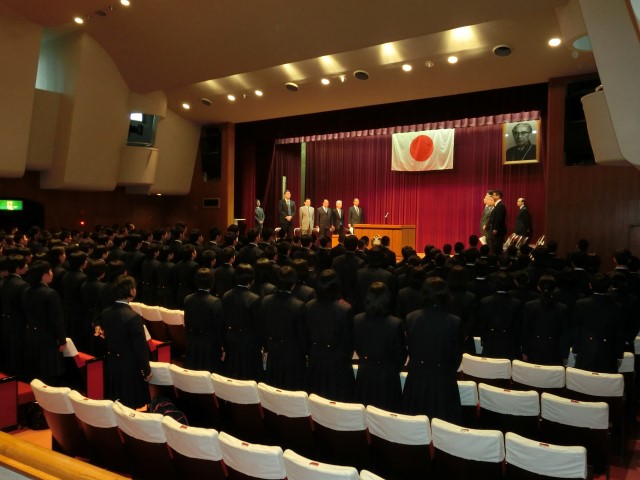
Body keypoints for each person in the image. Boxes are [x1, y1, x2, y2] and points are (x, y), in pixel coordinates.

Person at [402, 277, 463, 423]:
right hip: (443, 380)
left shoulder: (411, 317)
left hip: (417, 378)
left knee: (414, 424)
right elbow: (456, 356)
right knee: (444, 424)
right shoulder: (454, 321)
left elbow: (410, 348)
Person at [353, 282, 406, 412]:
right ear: (387, 300)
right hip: (387, 376)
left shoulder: (357, 319)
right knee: (387, 415)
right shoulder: (395, 323)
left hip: (365, 373)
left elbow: (357, 347)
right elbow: (401, 355)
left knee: (364, 413)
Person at [304, 269, 355, 402]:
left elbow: (306, 334)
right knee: (337, 400)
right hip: (337, 362)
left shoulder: (309, 306)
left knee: (316, 399)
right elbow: (349, 341)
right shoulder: (344, 309)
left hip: (316, 359)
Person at [101, 275, 152, 409]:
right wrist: (146, 370)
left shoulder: (106, 312)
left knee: (116, 404)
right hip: (129, 366)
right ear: (131, 290)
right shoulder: (133, 317)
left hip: (112, 363)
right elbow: (140, 348)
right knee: (129, 406)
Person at [260, 266, 306, 390]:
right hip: (292, 354)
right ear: (293, 284)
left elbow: (262, 327)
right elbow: (301, 334)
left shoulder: (265, 301)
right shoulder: (299, 305)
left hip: (272, 350)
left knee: (273, 387)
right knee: (290, 389)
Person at [22, 260, 67, 385]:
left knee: (36, 372)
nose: (52, 273)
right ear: (44, 275)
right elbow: (56, 320)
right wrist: (62, 340)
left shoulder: (26, 291)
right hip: (47, 337)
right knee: (49, 372)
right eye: (50, 271)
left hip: (31, 334)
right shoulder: (51, 293)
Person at [222, 264, 263, 381]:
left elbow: (224, 320)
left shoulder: (226, 295)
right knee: (248, 376)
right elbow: (258, 325)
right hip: (249, 343)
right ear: (252, 280)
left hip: (231, 339)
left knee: (232, 372)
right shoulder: (255, 299)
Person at [183, 268, 225, 372]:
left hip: (192, 344)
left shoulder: (187, 299)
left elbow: (187, 323)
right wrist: (223, 347)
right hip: (209, 347)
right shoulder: (216, 302)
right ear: (212, 283)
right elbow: (219, 328)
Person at [521, 275, 569, 366]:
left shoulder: (529, 306)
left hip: (533, 349)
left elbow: (525, 330)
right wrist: (564, 355)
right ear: (555, 288)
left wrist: (524, 351)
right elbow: (564, 333)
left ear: (538, 287)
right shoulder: (562, 308)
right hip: (554, 350)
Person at [487, 190, 507, 254]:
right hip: (494, 230)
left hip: (498, 231)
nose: (492, 196)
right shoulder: (497, 205)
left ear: (498, 196)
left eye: (493, 195)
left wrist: (496, 228)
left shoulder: (500, 205)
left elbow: (499, 218)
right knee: (493, 247)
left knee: (497, 248)